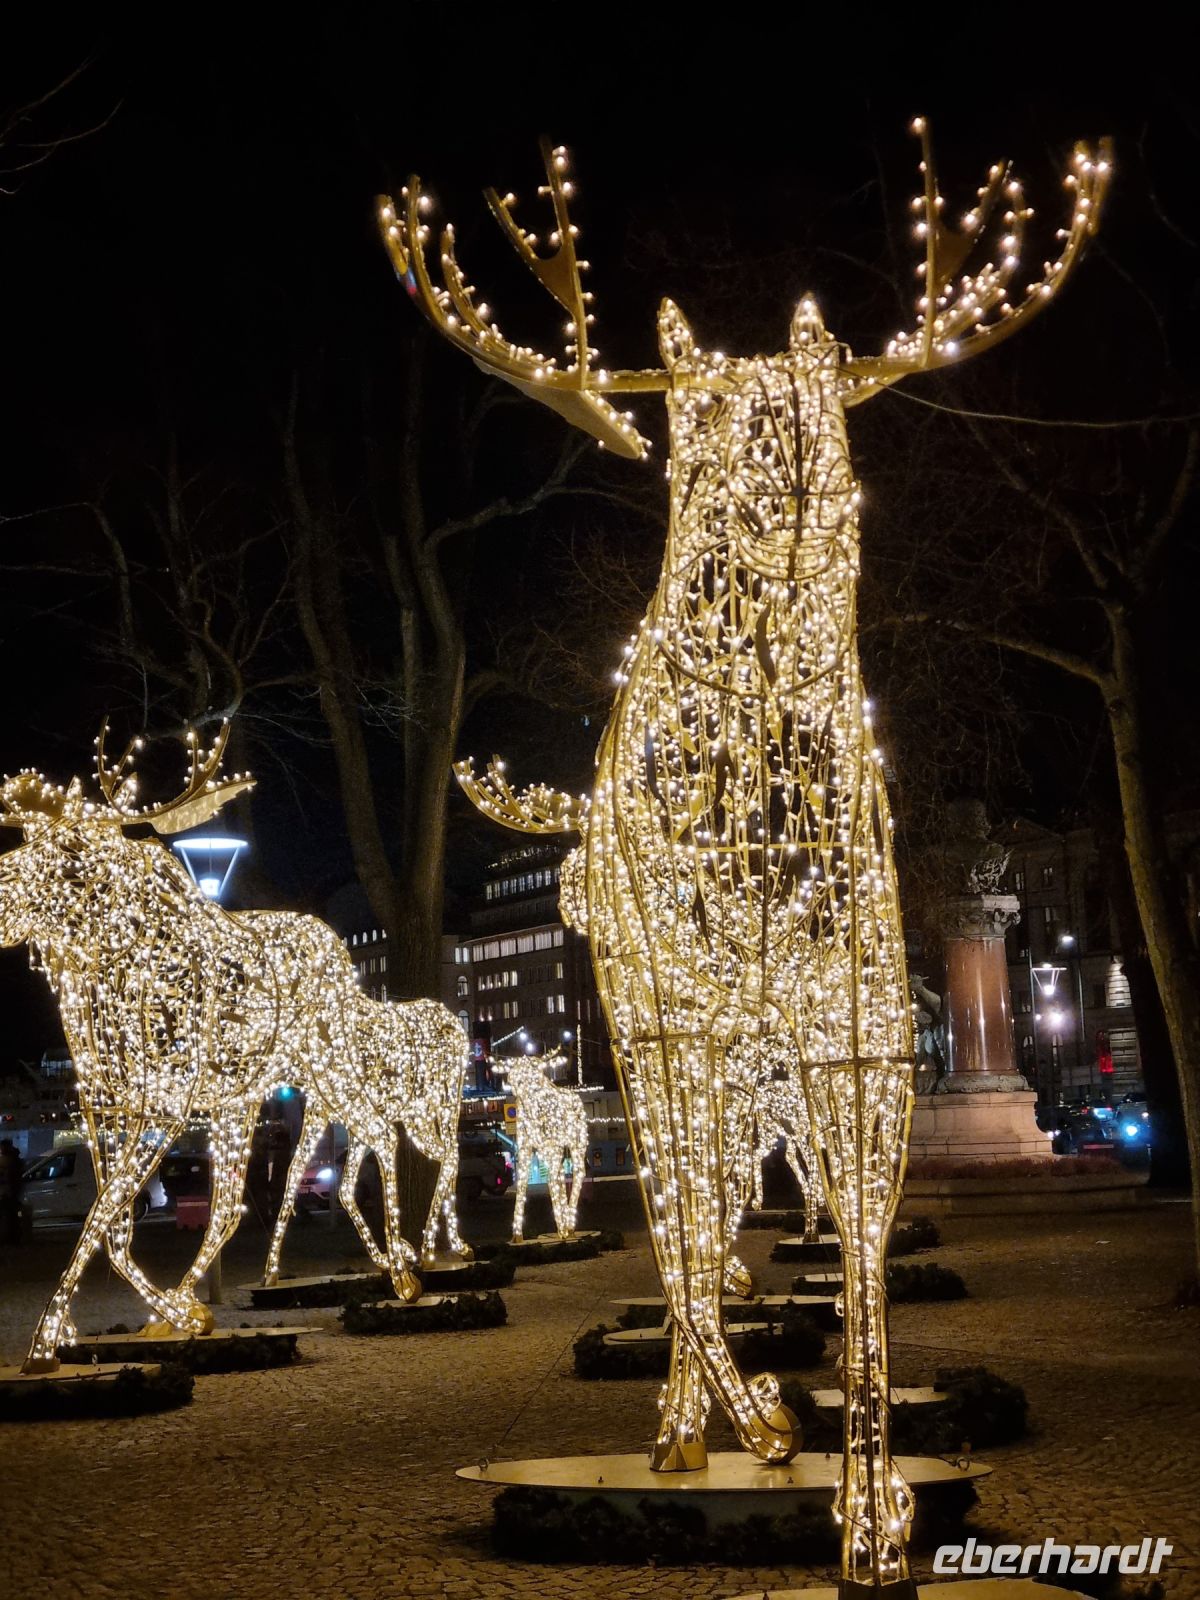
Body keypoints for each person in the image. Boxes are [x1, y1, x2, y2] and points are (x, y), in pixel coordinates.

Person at [0, 1138, 24, 1246]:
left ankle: (13, 1238)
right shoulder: (14, 1159)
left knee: (11, 1216)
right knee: (11, 1216)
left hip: (10, 1192)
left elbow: (11, 1177)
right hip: (11, 1192)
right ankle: (13, 1237)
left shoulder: (10, 1160)